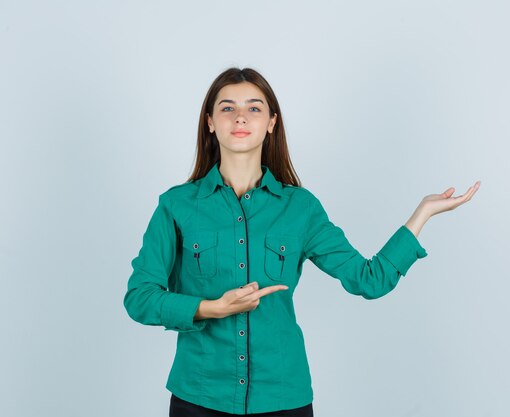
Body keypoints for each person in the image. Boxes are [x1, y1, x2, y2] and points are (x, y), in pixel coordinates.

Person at [123, 67, 481, 417]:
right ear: (211, 122)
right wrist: (210, 308)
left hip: (282, 398)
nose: (241, 118)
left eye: (254, 108)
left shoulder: (301, 208)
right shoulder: (176, 205)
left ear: (271, 123)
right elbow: (140, 297)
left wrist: (422, 214)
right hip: (199, 396)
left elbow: (369, 280)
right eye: (228, 107)